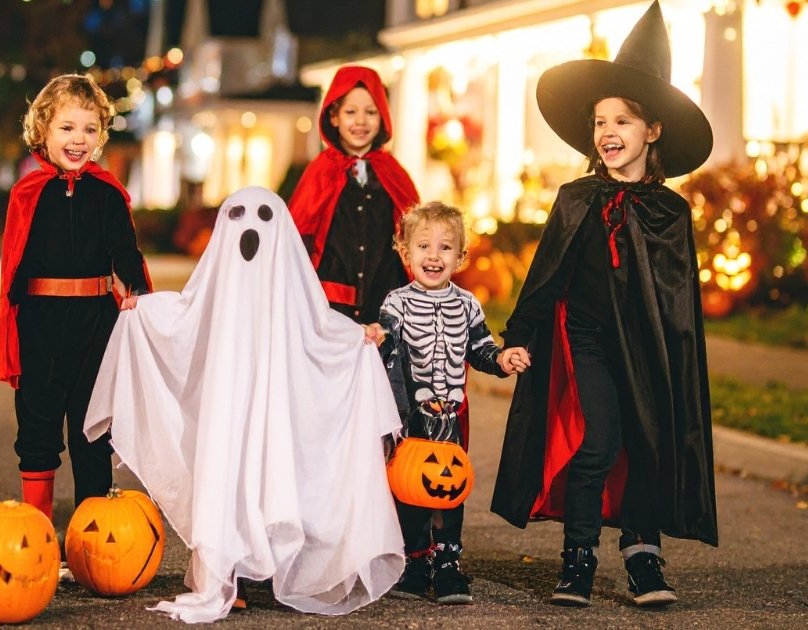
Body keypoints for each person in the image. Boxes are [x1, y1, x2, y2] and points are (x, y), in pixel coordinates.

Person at [84, 186, 404, 624]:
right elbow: (186, 312)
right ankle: (229, 566)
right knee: (228, 469)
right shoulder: (217, 284)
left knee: (276, 470)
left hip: (279, 409)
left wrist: (354, 340)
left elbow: (319, 324)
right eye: (238, 215)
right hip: (226, 408)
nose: (251, 229)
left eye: (265, 218)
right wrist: (145, 312)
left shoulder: (293, 291)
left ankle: (277, 565)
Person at [489, 1, 718, 608]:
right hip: (585, 339)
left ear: (654, 131)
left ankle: (644, 558)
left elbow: (678, 304)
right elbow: (544, 275)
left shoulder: (672, 212)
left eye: (622, 120)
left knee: (646, 441)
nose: (608, 132)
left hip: (648, 345)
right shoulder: (576, 198)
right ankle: (579, 556)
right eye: (599, 122)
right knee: (598, 439)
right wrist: (517, 334)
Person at [0, 73, 151, 527]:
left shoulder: (107, 195)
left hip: (94, 328)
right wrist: (13, 327)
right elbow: (14, 266)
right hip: (39, 326)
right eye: (67, 128)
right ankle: (37, 533)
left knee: (92, 430)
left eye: (89, 129)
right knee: (37, 428)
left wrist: (138, 290)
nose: (78, 139)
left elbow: (126, 251)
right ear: (42, 129)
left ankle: (90, 534)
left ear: (101, 135)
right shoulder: (28, 194)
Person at [369, 201, 525, 604]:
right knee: (411, 488)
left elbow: (481, 348)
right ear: (405, 252)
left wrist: (502, 359)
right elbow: (385, 337)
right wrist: (377, 335)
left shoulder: (468, 304)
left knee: (450, 486)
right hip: (413, 417)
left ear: (461, 256)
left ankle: (448, 561)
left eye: (445, 247)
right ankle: (415, 561)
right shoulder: (397, 302)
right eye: (423, 246)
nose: (433, 256)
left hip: (453, 415)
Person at [289, 64, 419, 325]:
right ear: (334, 117)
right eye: (350, 112)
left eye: (371, 112)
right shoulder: (320, 172)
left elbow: (418, 231)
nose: (361, 121)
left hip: (385, 303)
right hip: (331, 305)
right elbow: (297, 236)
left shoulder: (393, 172)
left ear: (383, 117)